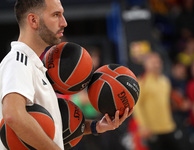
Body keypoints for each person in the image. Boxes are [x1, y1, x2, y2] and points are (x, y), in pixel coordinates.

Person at [0, 0, 133, 149]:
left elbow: (50, 125)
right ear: (33, 20)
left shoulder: (35, 66)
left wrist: (95, 126)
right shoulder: (18, 61)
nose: (64, 22)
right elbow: (13, 115)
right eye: (56, 15)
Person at [134, 52, 181, 150]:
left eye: (159, 62)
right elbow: (137, 106)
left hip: (168, 126)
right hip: (152, 129)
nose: (157, 65)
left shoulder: (165, 81)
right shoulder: (142, 82)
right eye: (153, 62)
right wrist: (143, 126)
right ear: (146, 65)